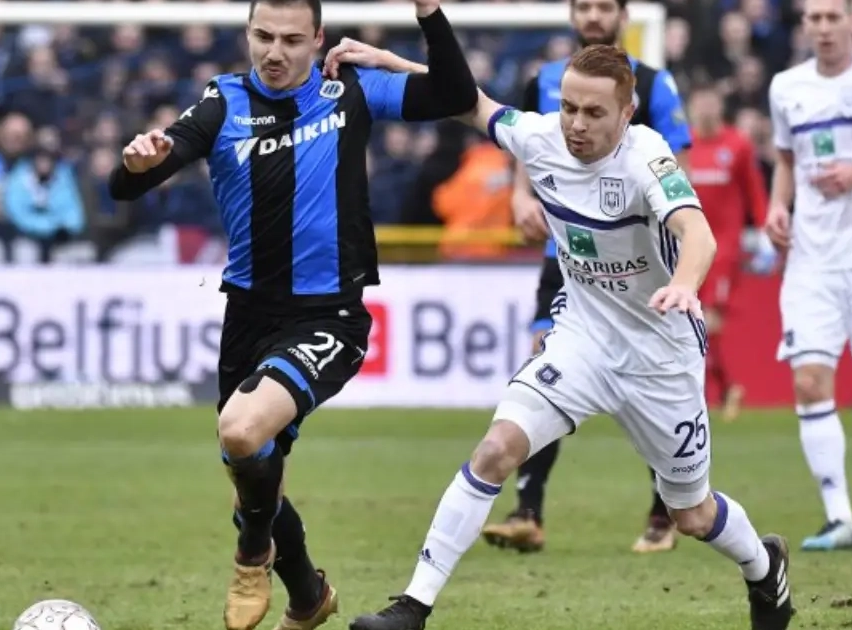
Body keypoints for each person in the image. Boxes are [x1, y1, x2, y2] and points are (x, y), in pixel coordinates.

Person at [323, 43, 794, 630]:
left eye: (594, 112)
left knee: (691, 515)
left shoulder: (648, 156)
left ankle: (763, 567)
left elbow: (697, 234)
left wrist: (683, 284)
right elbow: (467, 100)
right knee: (495, 450)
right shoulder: (540, 137)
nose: (576, 124)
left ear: (627, 113)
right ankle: (412, 607)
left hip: (660, 357)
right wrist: (395, 63)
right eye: (569, 108)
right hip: (581, 341)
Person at [107, 0, 478, 628]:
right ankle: (308, 597)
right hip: (247, 317)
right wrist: (136, 164)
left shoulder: (349, 89)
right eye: (263, 36)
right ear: (248, 34)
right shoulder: (223, 102)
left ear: (318, 40)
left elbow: (455, 94)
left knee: (240, 434)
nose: (274, 52)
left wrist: (430, 15)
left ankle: (252, 555)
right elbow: (133, 181)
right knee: (255, 476)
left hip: (329, 314)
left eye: (291, 40)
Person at [485, 0, 695, 555]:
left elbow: (677, 166)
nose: (593, 16)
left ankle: (664, 511)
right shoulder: (545, 80)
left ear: (624, 15)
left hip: (634, 263)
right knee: (542, 357)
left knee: (648, 387)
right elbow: (527, 148)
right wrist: (520, 197)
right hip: (565, 253)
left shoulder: (653, 83)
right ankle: (528, 511)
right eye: (584, 6)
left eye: (604, 6)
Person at [764, 0, 852, 553]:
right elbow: (786, 160)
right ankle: (839, 518)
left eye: (833, 17)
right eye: (814, 18)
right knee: (807, 382)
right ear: (804, 25)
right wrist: (778, 207)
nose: (823, 28)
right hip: (811, 258)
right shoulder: (786, 87)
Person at [685, 84, 770, 422]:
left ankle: (707, 393)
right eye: (699, 102)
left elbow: (754, 191)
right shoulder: (683, 145)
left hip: (724, 249)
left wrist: (764, 233)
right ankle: (727, 388)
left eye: (710, 102)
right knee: (691, 322)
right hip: (687, 246)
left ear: (720, 106)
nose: (705, 109)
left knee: (710, 320)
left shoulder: (737, 145)